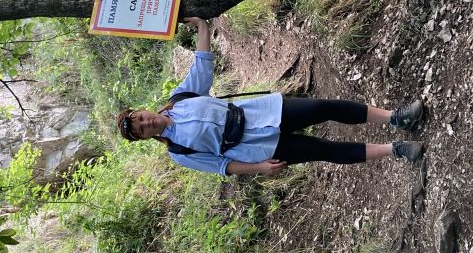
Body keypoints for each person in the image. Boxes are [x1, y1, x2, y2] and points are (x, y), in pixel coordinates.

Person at [116, 17, 425, 176]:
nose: (146, 123)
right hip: (257, 148)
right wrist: (260, 168)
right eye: (141, 130)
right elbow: (222, 166)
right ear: (145, 138)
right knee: (323, 149)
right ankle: (395, 149)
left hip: (261, 112)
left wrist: (202, 26)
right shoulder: (178, 152)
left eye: (140, 118)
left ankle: (396, 117)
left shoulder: (180, 98)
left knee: (324, 107)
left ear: (142, 110)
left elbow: (202, 65)